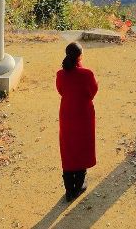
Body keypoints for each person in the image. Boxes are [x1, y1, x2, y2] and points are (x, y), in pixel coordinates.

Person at [56, 41, 98, 200]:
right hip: (83, 114)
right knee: (82, 145)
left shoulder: (60, 74)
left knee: (68, 146)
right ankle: (79, 185)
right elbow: (92, 91)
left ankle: (69, 189)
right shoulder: (87, 74)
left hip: (66, 113)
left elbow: (61, 90)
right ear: (80, 56)